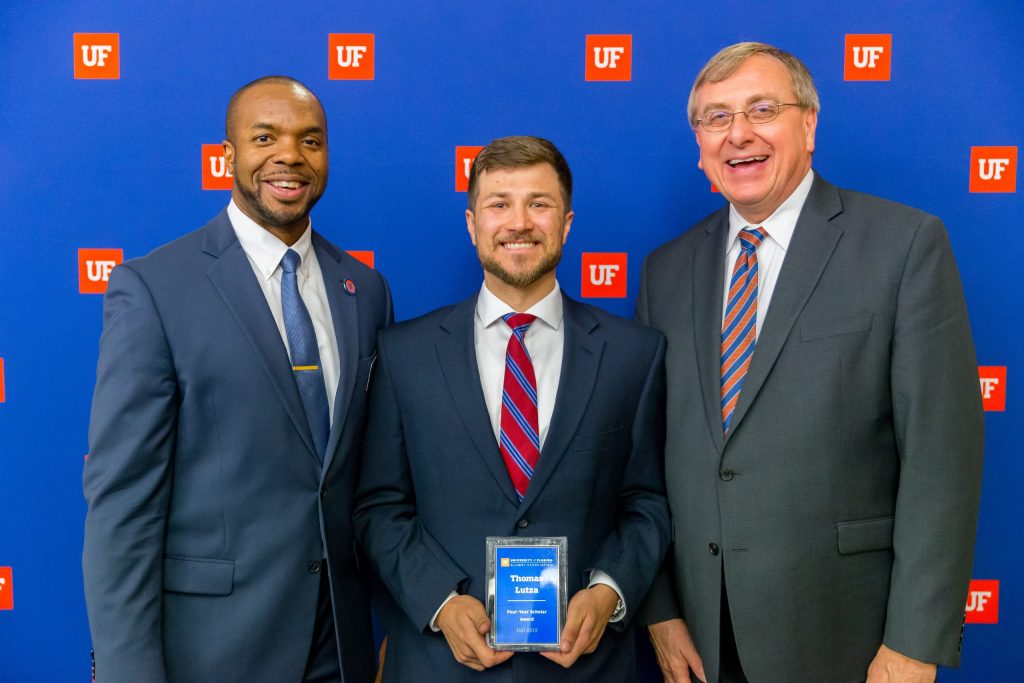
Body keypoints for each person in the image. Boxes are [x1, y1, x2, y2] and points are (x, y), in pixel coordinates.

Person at [637, 42, 985, 683]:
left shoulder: (904, 246)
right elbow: (645, 464)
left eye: (762, 109)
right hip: (704, 641)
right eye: (716, 117)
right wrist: (659, 609)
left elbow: (942, 461)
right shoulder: (665, 271)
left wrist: (914, 644)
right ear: (700, 146)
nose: (738, 133)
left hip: (848, 638)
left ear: (809, 124)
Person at [83, 76, 391, 682]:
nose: (290, 156)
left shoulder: (365, 291)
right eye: (265, 138)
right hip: (214, 652)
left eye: (310, 140)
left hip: (340, 647)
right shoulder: (155, 289)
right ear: (227, 155)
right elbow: (122, 509)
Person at [354, 136, 670, 681]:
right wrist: (439, 602)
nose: (519, 222)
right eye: (499, 204)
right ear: (473, 224)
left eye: (538, 204)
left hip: (584, 666)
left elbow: (647, 502)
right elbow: (379, 507)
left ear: (566, 224)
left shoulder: (633, 355)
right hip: (442, 663)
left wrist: (608, 591)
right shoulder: (405, 353)